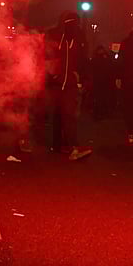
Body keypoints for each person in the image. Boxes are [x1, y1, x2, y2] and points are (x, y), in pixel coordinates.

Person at [45, 11, 92, 161]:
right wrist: (52, 74)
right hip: (59, 82)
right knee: (63, 114)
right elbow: (46, 55)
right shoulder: (57, 35)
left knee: (65, 114)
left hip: (67, 82)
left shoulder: (76, 37)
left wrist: (81, 78)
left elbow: (84, 60)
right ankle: (66, 146)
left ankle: (67, 146)